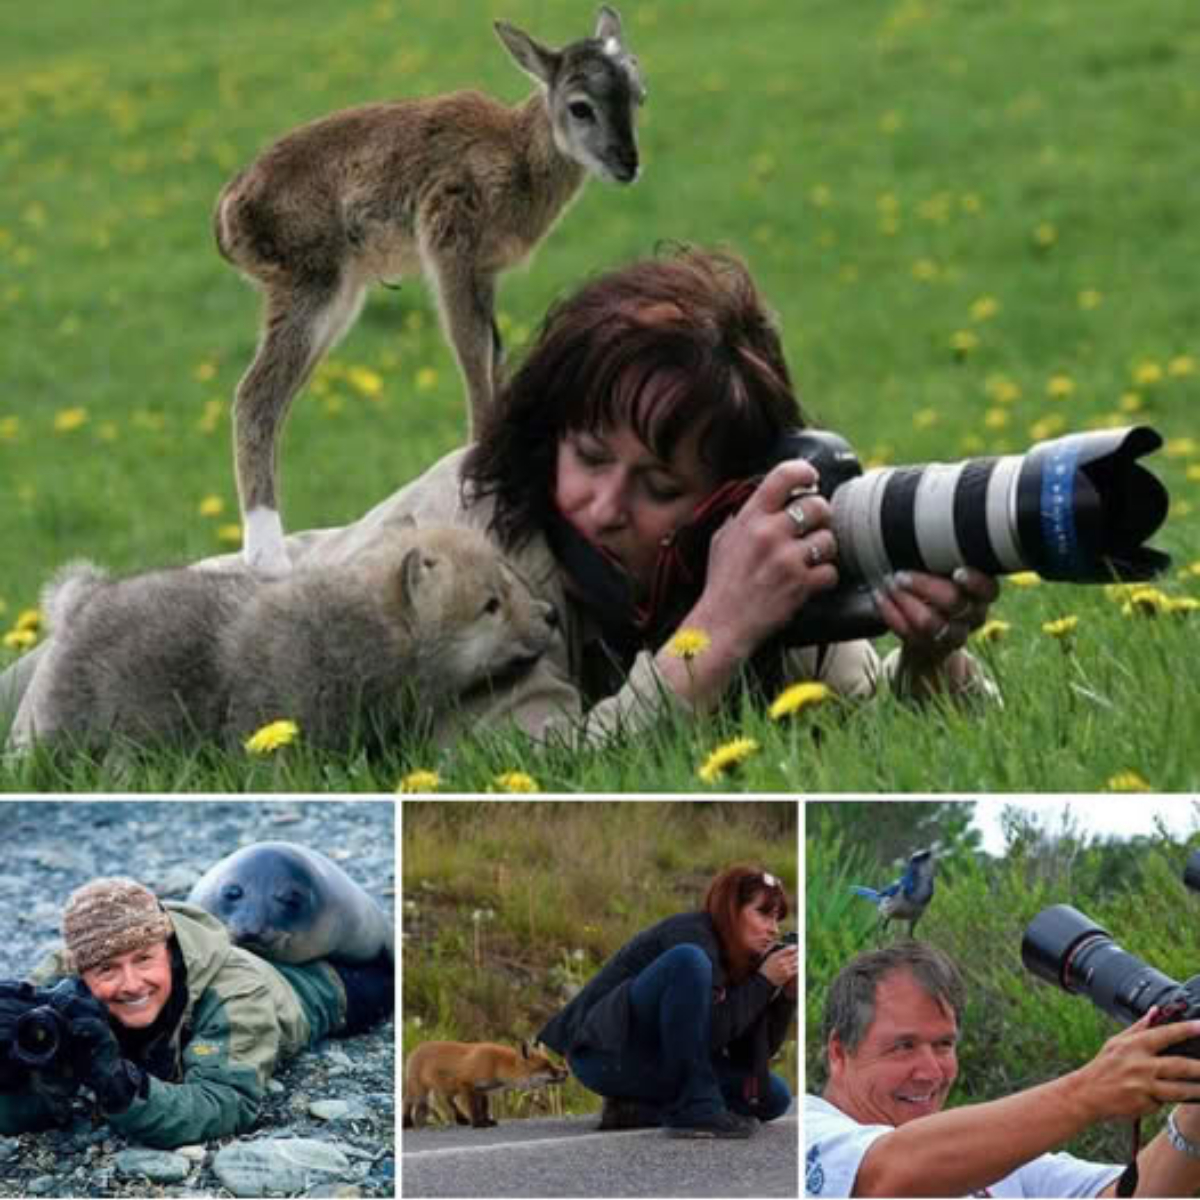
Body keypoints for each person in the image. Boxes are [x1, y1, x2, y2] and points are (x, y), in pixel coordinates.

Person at [1, 246, 1001, 752]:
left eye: (658, 486)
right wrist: (715, 638)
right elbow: (549, 769)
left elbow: (879, 725)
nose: (604, 505)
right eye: (588, 456)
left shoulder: (753, 549)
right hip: (141, 659)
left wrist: (932, 660)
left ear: (727, 498)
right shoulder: (482, 552)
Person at [0, 877, 392, 1148]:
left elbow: (225, 1103)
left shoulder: (235, 994)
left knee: (389, 979)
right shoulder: (60, 985)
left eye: (144, 959)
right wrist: (19, 1069)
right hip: (237, 949)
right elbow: (26, 1098)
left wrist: (117, 1083)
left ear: (167, 949)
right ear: (79, 968)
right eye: (107, 969)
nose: (132, 983)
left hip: (318, 989)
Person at [807, 942, 1200, 1197]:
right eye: (903, 1046)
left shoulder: (999, 1164)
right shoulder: (808, 1131)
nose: (930, 1071)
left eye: (944, 1044)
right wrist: (1088, 1092)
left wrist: (1192, 1106)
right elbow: (886, 1176)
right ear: (840, 1052)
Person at [537, 864, 798, 1139]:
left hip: (662, 1062)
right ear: (732, 910)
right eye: (764, 914)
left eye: (778, 919)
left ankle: (639, 1110)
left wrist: (785, 996)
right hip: (606, 1054)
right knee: (689, 960)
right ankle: (695, 1108)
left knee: (771, 1096)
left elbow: (747, 1055)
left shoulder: (743, 961)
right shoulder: (692, 934)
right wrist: (763, 982)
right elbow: (706, 1034)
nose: (774, 930)